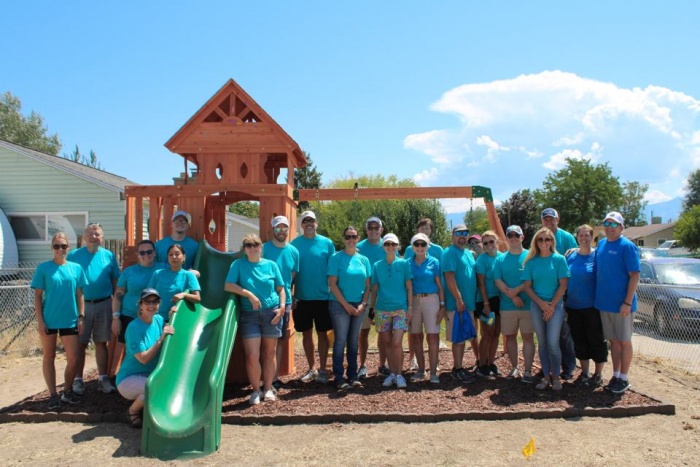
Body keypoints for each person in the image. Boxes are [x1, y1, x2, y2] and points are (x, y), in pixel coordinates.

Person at [225, 234, 286, 404]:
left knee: (269, 353)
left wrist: (281, 308)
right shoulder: (238, 265)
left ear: (261, 247)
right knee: (252, 355)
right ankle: (255, 390)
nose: (252, 248)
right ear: (244, 249)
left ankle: (267, 388)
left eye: (255, 245)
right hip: (249, 315)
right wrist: (249, 294)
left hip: (271, 313)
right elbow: (228, 285)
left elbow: (281, 289)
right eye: (248, 245)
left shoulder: (271, 265)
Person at [31, 232, 88, 409]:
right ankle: (53, 395)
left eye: (63, 246)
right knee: (49, 356)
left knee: (74, 357)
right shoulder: (43, 268)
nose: (60, 249)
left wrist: (81, 316)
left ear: (68, 248)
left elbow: (80, 294)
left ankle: (67, 391)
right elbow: (38, 296)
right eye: (56, 246)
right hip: (49, 320)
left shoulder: (76, 268)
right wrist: (40, 321)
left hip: (70, 320)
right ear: (51, 248)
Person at [67, 222, 120, 395]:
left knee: (101, 343)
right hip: (82, 306)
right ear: (84, 237)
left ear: (102, 237)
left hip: (104, 304)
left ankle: (103, 378)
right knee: (80, 344)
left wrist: (116, 307)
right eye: (90, 233)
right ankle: (78, 380)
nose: (93, 236)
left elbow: (115, 282)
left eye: (97, 233)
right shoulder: (74, 255)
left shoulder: (109, 256)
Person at [594, 212, 639, 394]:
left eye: (614, 224)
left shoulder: (627, 246)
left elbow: (634, 275)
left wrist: (627, 302)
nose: (610, 227)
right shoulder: (602, 244)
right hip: (605, 304)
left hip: (622, 305)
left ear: (621, 227)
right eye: (607, 223)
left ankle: (624, 377)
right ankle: (616, 374)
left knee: (624, 341)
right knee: (613, 342)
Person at [116, 288, 174, 427]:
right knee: (155, 388)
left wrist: (173, 316)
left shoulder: (159, 320)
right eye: (147, 302)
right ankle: (132, 411)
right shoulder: (134, 327)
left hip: (149, 376)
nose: (151, 305)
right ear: (140, 304)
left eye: (155, 302)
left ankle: (149, 411)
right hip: (128, 379)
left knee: (162, 386)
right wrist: (160, 339)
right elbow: (143, 359)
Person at [521, 227, 570, 391]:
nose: (544, 242)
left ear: (552, 242)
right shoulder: (531, 262)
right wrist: (541, 304)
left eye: (547, 239)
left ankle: (556, 377)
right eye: (540, 239)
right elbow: (527, 287)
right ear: (536, 242)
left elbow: (563, 285)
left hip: (556, 306)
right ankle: (545, 376)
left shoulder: (559, 260)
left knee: (553, 343)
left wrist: (551, 307)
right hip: (537, 305)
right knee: (542, 343)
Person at [290, 210, 336, 384]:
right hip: (302, 298)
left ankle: (323, 370)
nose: (309, 224)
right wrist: (291, 294)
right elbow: (291, 272)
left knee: (323, 334)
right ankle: (312, 368)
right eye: (305, 221)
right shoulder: (294, 245)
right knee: (306, 335)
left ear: (317, 223)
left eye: (312, 221)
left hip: (323, 298)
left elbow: (333, 271)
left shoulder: (327, 243)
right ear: (301, 224)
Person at [328, 226, 372, 390]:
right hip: (339, 305)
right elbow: (332, 284)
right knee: (340, 341)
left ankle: (352, 375)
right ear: (343, 238)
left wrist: (363, 304)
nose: (351, 240)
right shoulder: (336, 258)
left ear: (358, 237)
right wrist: (346, 305)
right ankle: (339, 377)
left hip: (359, 305)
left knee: (353, 341)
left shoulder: (364, 260)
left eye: (354, 236)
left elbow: (368, 286)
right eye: (348, 237)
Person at [566, 224, 608, 387]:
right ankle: (584, 373)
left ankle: (598, 374)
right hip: (573, 306)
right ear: (577, 237)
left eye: (587, 235)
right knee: (579, 340)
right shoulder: (570, 256)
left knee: (596, 340)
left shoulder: (598, 256)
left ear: (592, 238)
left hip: (593, 307)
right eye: (581, 235)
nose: (584, 238)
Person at [371, 234, 412, 389]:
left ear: (398, 246)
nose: (390, 246)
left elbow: (409, 287)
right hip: (382, 309)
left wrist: (410, 308)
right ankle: (392, 374)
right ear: (383, 246)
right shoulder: (377, 266)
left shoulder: (404, 264)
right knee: (387, 342)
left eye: (393, 244)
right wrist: (372, 308)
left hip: (400, 308)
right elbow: (374, 289)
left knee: (396, 343)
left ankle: (400, 373)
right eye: (387, 244)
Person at [262, 216, 299, 390]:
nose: (281, 231)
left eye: (284, 228)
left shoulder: (293, 251)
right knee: (267, 341)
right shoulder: (263, 249)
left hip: (286, 303)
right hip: (266, 303)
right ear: (273, 230)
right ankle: (264, 378)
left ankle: (274, 378)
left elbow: (292, 276)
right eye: (278, 228)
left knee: (281, 339)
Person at [494, 225, 535, 383]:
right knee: (510, 337)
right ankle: (514, 367)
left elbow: (531, 279)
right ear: (506, 238)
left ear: (522, 237)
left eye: (516, 235)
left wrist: (515, 291)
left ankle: (528, 370)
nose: (513, 238)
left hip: (528, 305)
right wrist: (511, 296)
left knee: (527, 337)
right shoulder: (500, 259)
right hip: (507, 306)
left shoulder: (530, 257)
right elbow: (498, 280)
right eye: (509, 235)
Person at [403, 218, 444, 371]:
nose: (420, 247)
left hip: (431, 299)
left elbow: (440, 284)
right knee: (416, 336)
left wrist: (442, 304)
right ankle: (420, 369)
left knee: (432, 335)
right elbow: (405, 285)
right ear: (412, 246)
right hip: (413, 301)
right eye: (417, 244)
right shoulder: (406, 262)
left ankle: (433, 369)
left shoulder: (435, 260)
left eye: (423, 244)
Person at [541, 208, 577, 380]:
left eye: (551, 219)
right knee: (545, 334)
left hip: (563, 293)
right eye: (545, 219)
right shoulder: (540, 237)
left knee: (564, 332)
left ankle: (568, 366)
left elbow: (574, 263)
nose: (549, 222)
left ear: (558, 219)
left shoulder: (567, 238)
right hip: (543, 296)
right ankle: (548, 367)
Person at [441, 224, 478, 384]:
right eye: (459, 233)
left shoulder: (469, 254)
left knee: (465, 336)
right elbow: (449, 277)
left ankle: (460, 367)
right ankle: (457, 369)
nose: (462, 236)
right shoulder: (449, 252)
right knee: (458, 338)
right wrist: (458, 299)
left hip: (469, 303)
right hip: (458, 304)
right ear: (453, 235)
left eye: (465, 233)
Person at [112, 240, 166, 346]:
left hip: (152, 316)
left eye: (149, 252)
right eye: (142, 252)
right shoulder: (129, 271)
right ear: (137, 255)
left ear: (154, 253)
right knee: (126, 348)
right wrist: (116, 318)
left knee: (152, 346)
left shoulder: (163, 269)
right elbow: (118, 294)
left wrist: (193, 273)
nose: (146, 255)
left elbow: (178, 273)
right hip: (129, 315)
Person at [356, 216, 387, 378]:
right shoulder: (358, 248)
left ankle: (382, 365)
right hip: (365, 296)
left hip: (384, 296)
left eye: (376, 228)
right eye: (370, 228)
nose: (373, 231)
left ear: (381, 230)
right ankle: (362, 365)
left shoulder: (388, 245)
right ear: (366, 230)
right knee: (363, 332)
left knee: (383, 332)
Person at [475, 230, 503, 378]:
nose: (488, 245)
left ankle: (491, 362)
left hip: (500, 301)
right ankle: (482, 364)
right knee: (487, 333)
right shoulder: (482, 260)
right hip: (486, 301)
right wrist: (486, 304)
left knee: (496, 332)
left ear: (496, 241)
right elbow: (481, 283)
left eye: (491, 241)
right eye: (485, 243)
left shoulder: (502, 257)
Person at [147, 244, 201, 321]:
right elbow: (148, 294)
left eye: (177, 254)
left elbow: (197, 298)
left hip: (177, 318)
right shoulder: (158, 274)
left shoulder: (189, 276)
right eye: (171, 254)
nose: (174, 257)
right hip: (156, 318)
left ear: (184, 257)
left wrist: (184, 295)